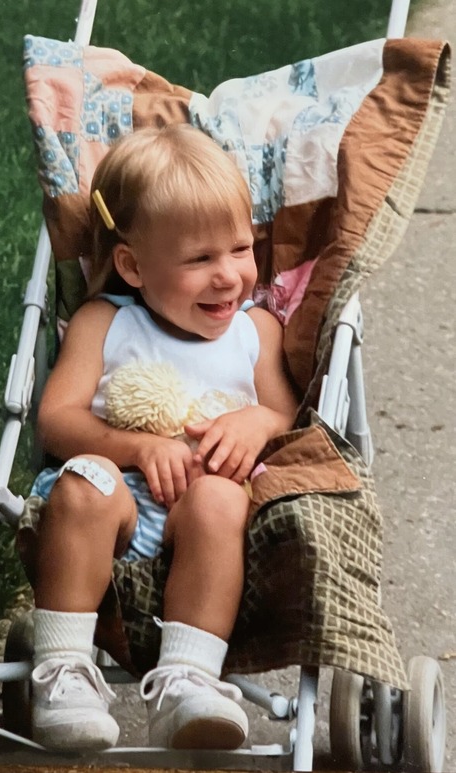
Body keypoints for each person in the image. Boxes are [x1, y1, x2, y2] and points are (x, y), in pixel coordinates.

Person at [29, 124, 299, 751]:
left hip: (201, 514)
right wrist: (135, 447)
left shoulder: (256, 331)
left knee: (220, 500)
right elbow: (57, 418)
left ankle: (188, 680)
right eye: (200, 259)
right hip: (116, 497)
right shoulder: (105, 321)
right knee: (81, 487)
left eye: (239, 248)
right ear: (132, 265)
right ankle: (63, 672)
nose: (229, 276)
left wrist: (252, 421)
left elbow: (285, 417)